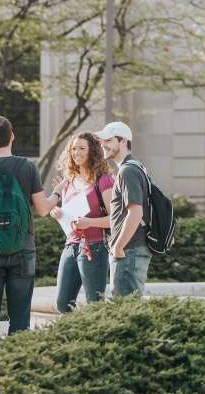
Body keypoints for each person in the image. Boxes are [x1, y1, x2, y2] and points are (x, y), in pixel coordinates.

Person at [0, 115, 62, 338]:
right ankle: (18, 369)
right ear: (12, 137)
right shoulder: (28, 167)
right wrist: (57, 192)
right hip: (23, 251)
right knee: (20, 323)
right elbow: (43, 209)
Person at [49, 131, 115, 312]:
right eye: (73, 149)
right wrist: (58, 214)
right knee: (63, 303)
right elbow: (69, 218)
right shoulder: (68, 182)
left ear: (92, 151)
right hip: (70, 247)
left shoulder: (104, 180)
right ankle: (74, 338)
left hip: (94, 248)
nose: (76, 153)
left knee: (95, 304)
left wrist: (90, 223)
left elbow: (115, 219)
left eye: (81, 148)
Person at [97, 121, 151, 297]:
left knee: (125, 307)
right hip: (131, 249)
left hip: (129, 249)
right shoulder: (134, 167)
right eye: (102, 140)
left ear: (123, 142)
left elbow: (135, 212)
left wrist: (118, 246)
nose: (103, 145)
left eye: (108, 140)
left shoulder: (128, 171)